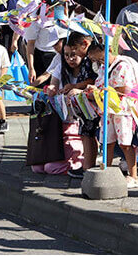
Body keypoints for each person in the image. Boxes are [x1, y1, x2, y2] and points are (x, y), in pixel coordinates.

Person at [87, 41, 138, 188]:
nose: (98, 63)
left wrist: (102, 91)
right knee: (107, 142)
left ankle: (134, 175)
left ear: (108, 50)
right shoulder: (104, 67)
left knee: (125, 143)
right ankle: (107, 171)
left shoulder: (122, 65)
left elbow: (123, 90)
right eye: (95, 61)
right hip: (106, 110)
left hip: (121, 109)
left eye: (99, 59)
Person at [48, 33, 97, 178]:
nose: (70, 59)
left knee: (88, 134)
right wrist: (52, 89)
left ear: (84, 45)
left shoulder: (89, 62)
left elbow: (93, 80)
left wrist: (75, 87)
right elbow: (53, 82)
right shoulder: (62, 65)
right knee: (85, 133)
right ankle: (87, 165)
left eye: (73, 54)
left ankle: (88, 166)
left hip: (90, 107)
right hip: (72, 112)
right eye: (66, 55)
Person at [25, 0, 69, 84]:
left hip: (63, 53)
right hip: (43, 55)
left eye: (61, 6)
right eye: (55, 7)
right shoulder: (36, 17)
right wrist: (31, 68)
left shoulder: (62, 13)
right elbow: (30, 44)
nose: (58, 9)